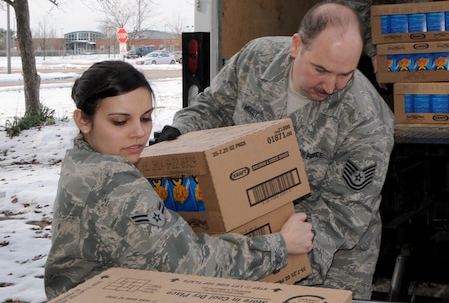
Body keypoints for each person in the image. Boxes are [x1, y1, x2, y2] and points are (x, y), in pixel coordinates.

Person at [152, 2, 395, 299]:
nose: (331, 86)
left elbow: (343, 215)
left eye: (345, 74)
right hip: (251, 229)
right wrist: (181, 133)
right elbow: (213, 107)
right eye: (321, 70)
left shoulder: (367, 119)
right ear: (297, 46)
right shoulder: (258, 58)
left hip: (330, 257)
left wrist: (275, 258)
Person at [44, 60, 314, 300]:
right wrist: (280, 244)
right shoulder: (112, 182)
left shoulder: (83, 162)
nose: (139, 133)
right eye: (119, 122)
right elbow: (192, 267)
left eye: (146, 118)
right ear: (83, 120)